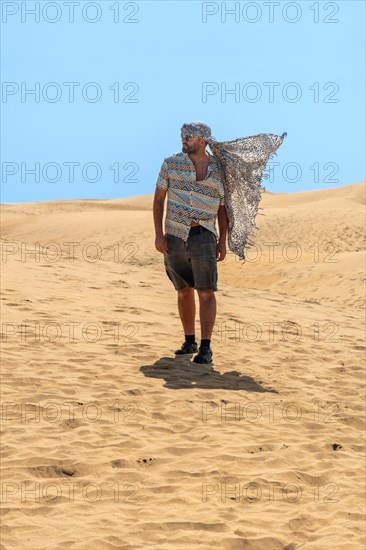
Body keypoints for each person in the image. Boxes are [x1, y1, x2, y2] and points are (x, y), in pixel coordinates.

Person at [153, 122, 228, 364]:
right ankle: (189, 341)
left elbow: (222, 208)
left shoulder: (219, 170)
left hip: (204, 234)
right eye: (183, 135)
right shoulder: (171, 163)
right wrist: (158, 234)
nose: (184, 139)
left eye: (190, 136)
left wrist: (222, 241)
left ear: (204, 140)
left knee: (206, 292)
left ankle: (206, 347)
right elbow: (158, 199)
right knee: (183, 290)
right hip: (175, 235)